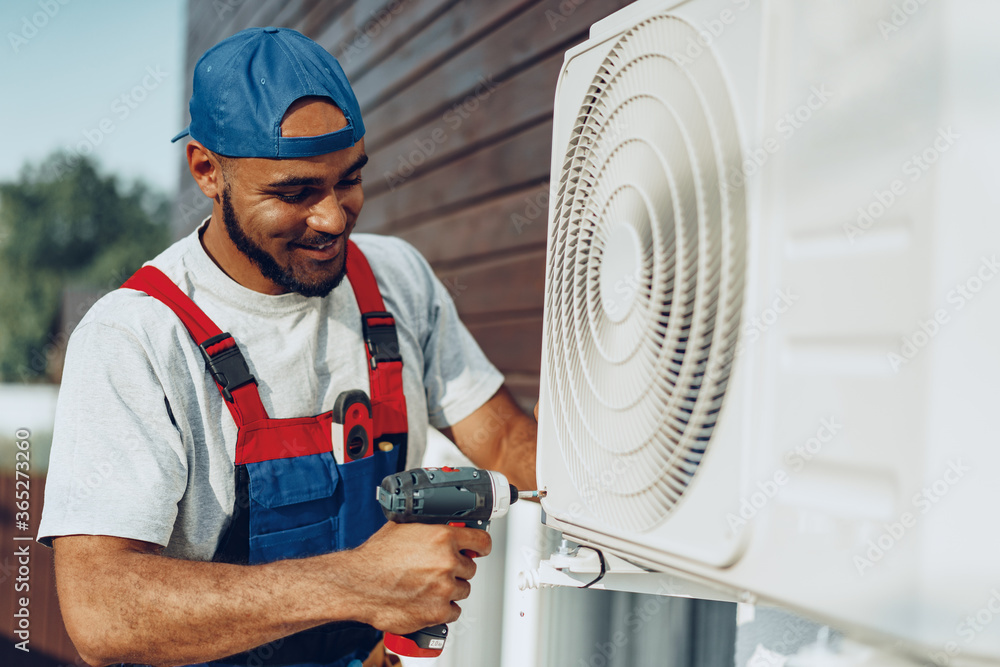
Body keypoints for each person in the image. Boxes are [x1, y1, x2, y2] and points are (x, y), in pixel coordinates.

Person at [38, 27, 538, 667]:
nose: (333, 219)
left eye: (349, 180)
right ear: (207, 171)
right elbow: (101, 611)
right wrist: (361, 582)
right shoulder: (135, 338)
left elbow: (501, 440)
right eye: (295, 192)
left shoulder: (395, 280)